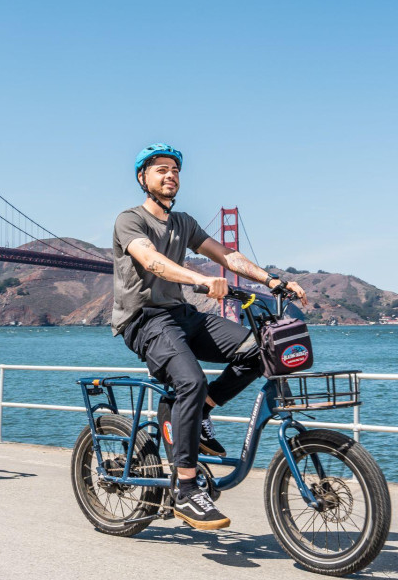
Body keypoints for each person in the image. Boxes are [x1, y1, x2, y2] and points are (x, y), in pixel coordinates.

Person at [112, 143, 307, 530]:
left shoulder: (184, 222)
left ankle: (202, 409)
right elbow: (152, 260)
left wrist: (273, 280)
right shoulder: (128, 220)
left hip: (180, 314)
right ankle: (186, 490)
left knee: (259, 351)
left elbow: (227, 256)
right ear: (142, 179)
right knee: (190, 380)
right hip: (144, 320)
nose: (170, 176)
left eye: (175, 170)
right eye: (160, 170)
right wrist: (200, 280)